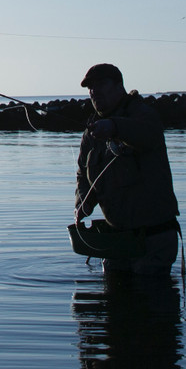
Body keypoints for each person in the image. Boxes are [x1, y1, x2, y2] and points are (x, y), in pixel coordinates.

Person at [74, 63, 180, 276]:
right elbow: (82, 173)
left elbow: (149, 134)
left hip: (154, 239)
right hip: (117, 241)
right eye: (90, 87)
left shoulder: (142, 114)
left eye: (101, 84)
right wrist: (82, 204)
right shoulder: (91, 132)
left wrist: (114, 127)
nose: (94, 91)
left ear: (119, 86)